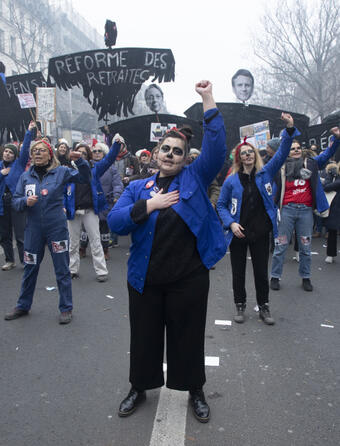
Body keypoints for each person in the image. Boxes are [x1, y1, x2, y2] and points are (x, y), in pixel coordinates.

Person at [108, 80, 227, 423]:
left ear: (185, 157)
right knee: (144, 338)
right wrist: (149, 205)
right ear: (157, 153)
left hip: (187, 278)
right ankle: (138, 387)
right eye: (166, 149)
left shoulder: (195, 177)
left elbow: (217, 149)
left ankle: (195, 390)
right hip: (145, 278)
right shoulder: (136, 188)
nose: (171, 155)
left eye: (178, 151)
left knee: (188, 337)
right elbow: (116, 222)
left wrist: (208, 100)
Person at [217, 113, 298, 325]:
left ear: (255, 155)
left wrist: (289, 130)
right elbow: (221, 205)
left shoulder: (266, 173)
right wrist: (231, 223)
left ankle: (264, 306)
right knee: (238, 273)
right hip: (238, 233)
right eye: (243, 153)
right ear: (239, 158)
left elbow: (281, 154)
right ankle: (240, 305)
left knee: (261, 273)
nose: (247, 156)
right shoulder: (231, 181)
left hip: (260, 232)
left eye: (250, 152)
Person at [4, 138, 91, 324]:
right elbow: (15, 201)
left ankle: (66, 308)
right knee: (30, 268)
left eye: (42, 150)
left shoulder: (61, 172)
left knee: (62, 268)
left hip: (56, 229)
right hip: (33, 230)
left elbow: (84, 178)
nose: (37, 153)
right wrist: (25, 202)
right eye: (34, 150)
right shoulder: (25, 176)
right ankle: (23, 305)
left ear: (50, 154)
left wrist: (81, 161)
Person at [270, 128, 340, 291]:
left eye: (298, 148)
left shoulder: (312, 163)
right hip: (287, 210)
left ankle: (306, 277)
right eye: (292, 148)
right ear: (286, 150)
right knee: (281, 246)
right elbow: (273, 189)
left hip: (306, 212)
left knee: (305, 247)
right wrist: (274, 208)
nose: (295, 150)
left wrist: (336, 139)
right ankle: (275, 276)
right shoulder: (280, 166)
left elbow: (327, 153)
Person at [65, 137, 123, 282]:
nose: (80, 156)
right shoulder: (66, 171)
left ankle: (101, 272)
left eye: (84, 154)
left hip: (90, 209)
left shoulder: (94, 169)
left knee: (96, 241)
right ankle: (72, 269)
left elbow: (109, 159)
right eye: (78, 153)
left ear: (88, 156)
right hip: (73, 210)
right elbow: (61, 190)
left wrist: (116, 145)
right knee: (73, 243)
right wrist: (62, 205)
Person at [79, 142, 124, 260]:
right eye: (94, 151)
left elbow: (117, 183)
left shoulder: (111, 168)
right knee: (86, 228)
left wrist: (117, 195)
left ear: (104, 153)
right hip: (90, 201)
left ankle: (105, 250)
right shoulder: (87, 166)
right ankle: (82, 248)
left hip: (105, 202)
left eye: (99, 151)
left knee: (104, 228)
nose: (97, 153)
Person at [0, 122, 34, 271]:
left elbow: (25, 148)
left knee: (20, 234)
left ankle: (24, 260)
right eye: (6, 151)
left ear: (15, 155)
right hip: (2, 204)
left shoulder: (19, 164)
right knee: (4, 234)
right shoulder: (0, 166)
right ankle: (9, 260)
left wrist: (29, 132)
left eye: (11, 152)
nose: (7, 153)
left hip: (16, 202)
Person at [323, 161, 340, 263]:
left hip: (336, 206)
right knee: (332, 231)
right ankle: (330, 254)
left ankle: (330, 255)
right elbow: (327, 187)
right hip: (335, 206)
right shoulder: (334, 174)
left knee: (332, 232)